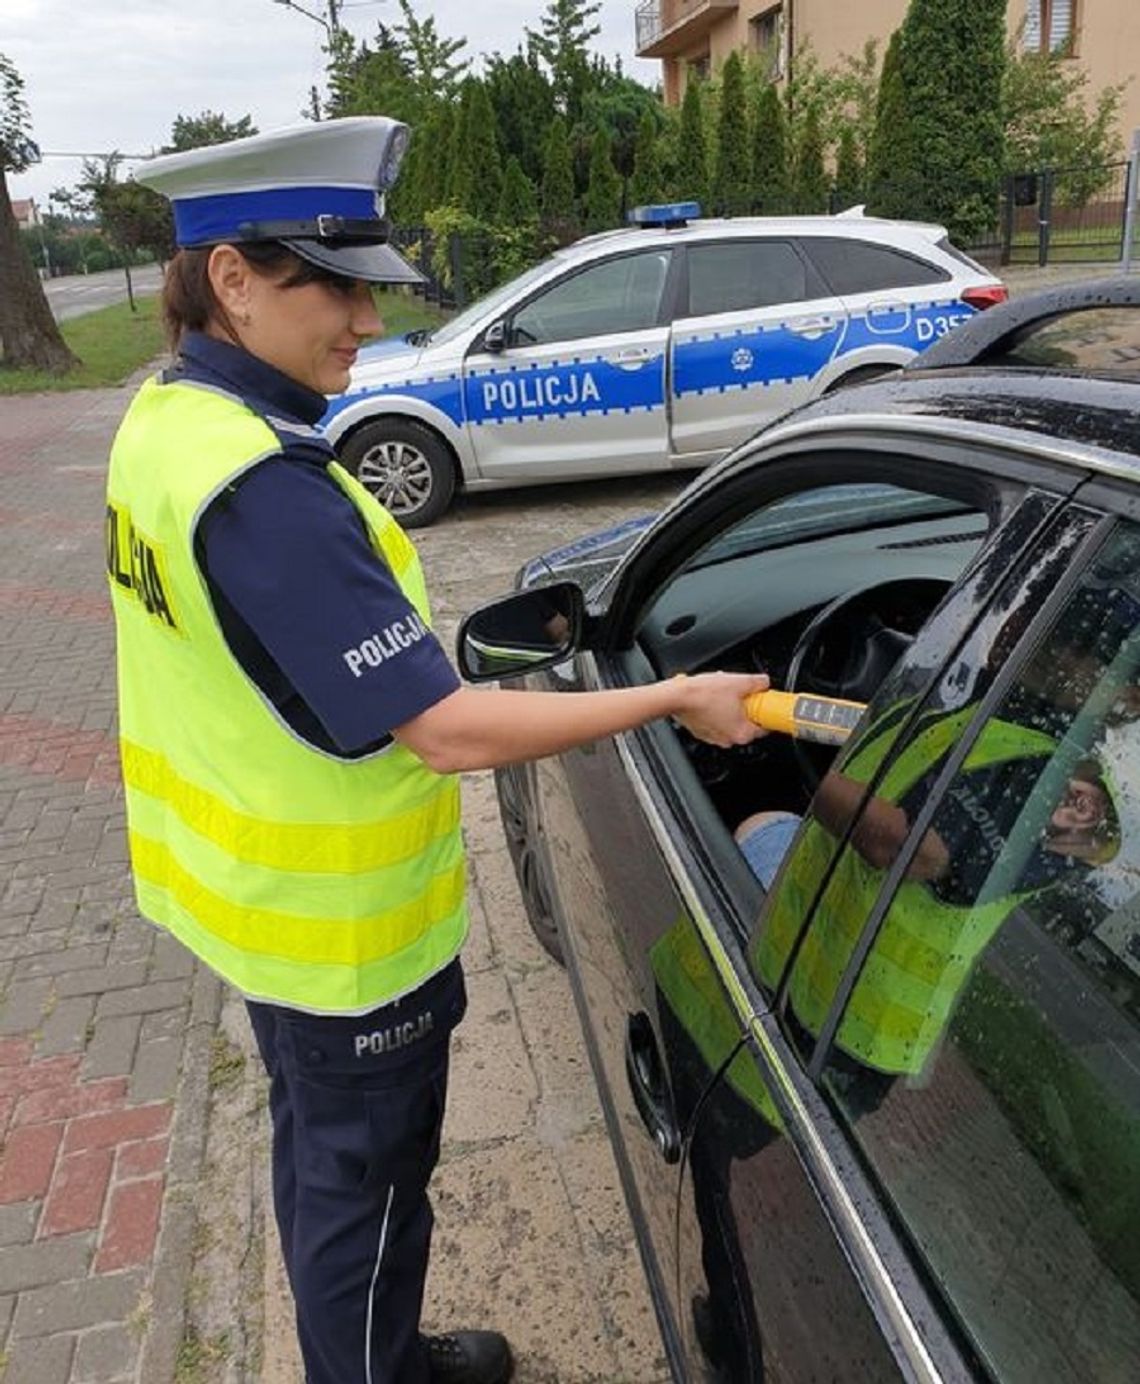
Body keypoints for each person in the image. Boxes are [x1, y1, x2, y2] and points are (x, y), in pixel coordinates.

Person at [105, 117, 768, 1384]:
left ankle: (382, 1356)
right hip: (348, 945)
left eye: (369, 287)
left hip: (260, 914)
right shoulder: (264, 486)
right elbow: (451, 727)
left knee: (321, 1176)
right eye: (334, 286)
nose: (364, 320)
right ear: (234, 277)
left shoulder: (166, 419)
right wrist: (673, 694)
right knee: (368, 1206)